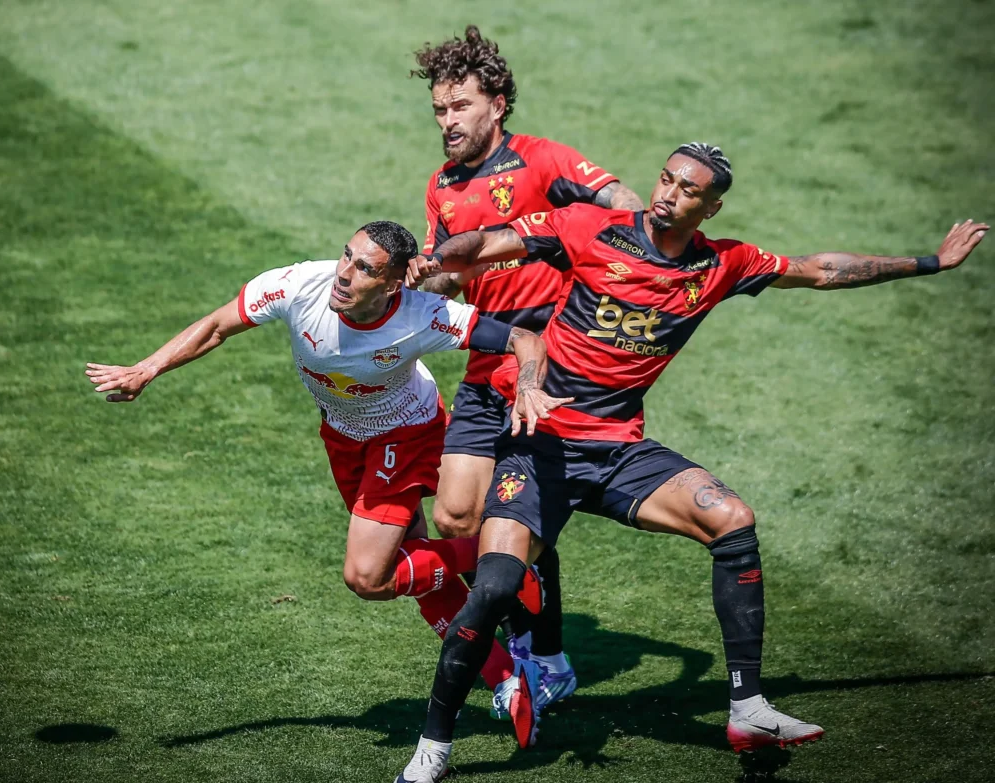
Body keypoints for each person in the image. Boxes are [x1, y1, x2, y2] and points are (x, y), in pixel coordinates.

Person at [394, 143, 988, 781]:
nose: (669, 195)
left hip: (617, 450)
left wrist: (931, 262)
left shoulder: (724, 263)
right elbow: (488, 243)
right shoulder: (589, 228)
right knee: (494, 589)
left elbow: (819, 270)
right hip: (541, 445)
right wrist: (433, 259)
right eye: (666, 179)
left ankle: (748, 708)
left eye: (688, 190)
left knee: (732, 519)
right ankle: (434, 749)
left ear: (710, 208)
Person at [84, 220, 572, 749]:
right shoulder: (299, 285)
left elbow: (523, 339)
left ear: (392, 285)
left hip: (405, 435)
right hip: (343, 438)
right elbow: (217, 326)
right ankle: (507, 676)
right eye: (346, 255)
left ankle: (501, 562)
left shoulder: (421, 315)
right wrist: (146, 370)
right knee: (411, 569)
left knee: (368, 575)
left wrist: (528, 386)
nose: (344, 273)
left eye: (364, 268)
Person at [411, 24, 645, 712]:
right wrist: (426, 276)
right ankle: (529, 616)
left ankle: (544, 656)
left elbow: (628, 207)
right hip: (488, 361)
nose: (447, 121)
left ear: (498, 103)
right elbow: (452, 278)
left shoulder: (545, 160)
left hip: (549, 370)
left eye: (460, 106)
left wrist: (602, 272)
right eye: (439, 110)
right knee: (457, 516)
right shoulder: (442, 187)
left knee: (515, 517)